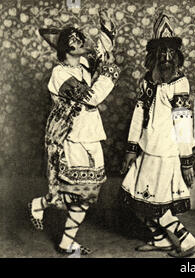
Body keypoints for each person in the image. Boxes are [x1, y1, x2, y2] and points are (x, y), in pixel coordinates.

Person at [28, 10, 120, 255]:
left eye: (80, 36)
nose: (80, 40)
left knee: (86, 193)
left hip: (90, 134)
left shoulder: (84, 65)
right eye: (73, 39)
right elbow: (91, 98)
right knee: (78, 193)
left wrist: (106, 28)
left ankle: (44, 208)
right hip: (71, 138)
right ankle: (65, 242)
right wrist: (111, 73)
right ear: (64, 48)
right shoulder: (60, 74)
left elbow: (103, 52)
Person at [120, 13, 195, 258]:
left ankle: (186, 240)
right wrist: (131, 149)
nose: (166, 58)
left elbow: (184, 123)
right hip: (146, 148)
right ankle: (160, 239)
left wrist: (186, 161)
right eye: (161, 52)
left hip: (166, 152)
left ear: (178, 56)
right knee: (134, 197)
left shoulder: (180, 84)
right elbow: (137, 115)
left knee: (153, 201)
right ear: (152, 55)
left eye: (171, 53)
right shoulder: (146, 82)